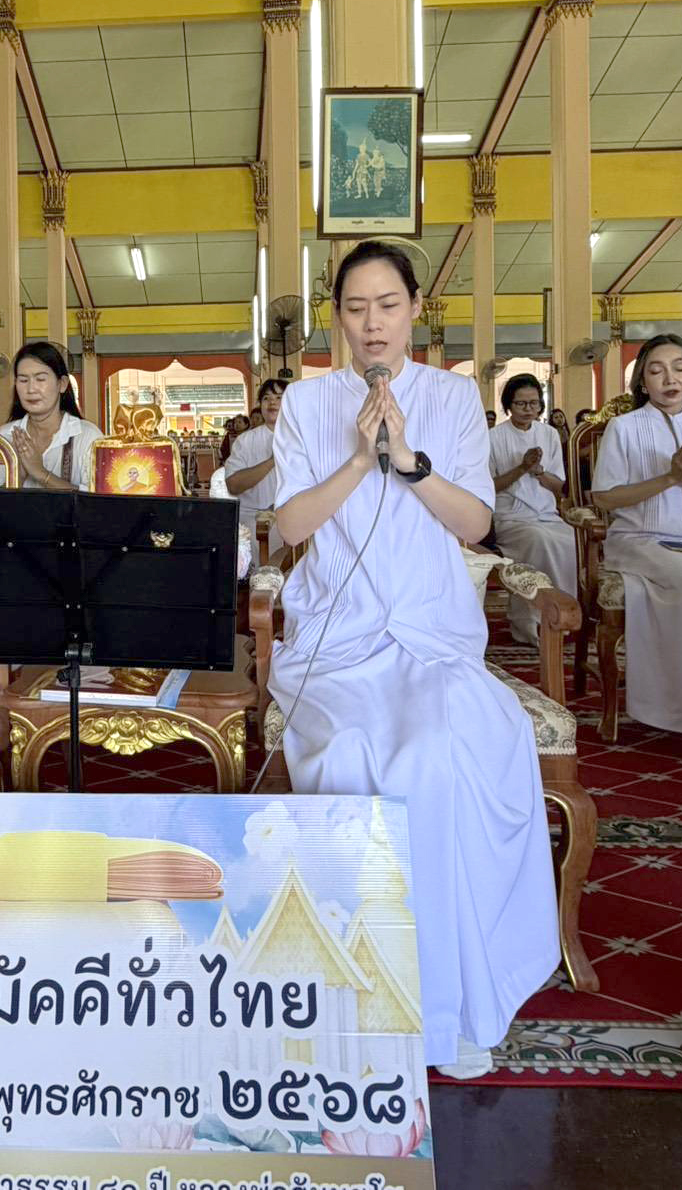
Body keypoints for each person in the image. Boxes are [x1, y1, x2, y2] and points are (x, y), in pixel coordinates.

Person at [266, 240, 559, 1078]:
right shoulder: (307, 403)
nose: (372, 325)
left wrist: (408, 462)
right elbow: (290, 528)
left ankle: (451, 1000)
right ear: (337, 316)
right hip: (339, 640)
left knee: (442, 752)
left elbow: (472, 524)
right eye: (355, 308)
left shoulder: (454, 397)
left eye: (387, 305)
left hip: (430, 633)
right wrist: (361, 460)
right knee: (360, 754)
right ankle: (364, 996)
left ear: (415, 308)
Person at [591, 334, 682, 737]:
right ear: (643, 382)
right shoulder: (623, 428)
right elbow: (605, 496)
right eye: (656, 371)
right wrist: (668, 478)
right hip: (640, 541)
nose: (669, 378)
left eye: (679, 367)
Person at [488, 374, 577, 647]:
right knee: (540, 540)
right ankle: (531, 623)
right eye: (521, 404)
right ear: (508, 405)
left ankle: (566, 616)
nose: (528, 410)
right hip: (512, 517)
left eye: (534, 404)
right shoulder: (493, 437)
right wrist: (521, 468)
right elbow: (490, 487)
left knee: (572, 541)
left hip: (547, 514)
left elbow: (559, 486)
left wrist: (538, 470)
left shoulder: (549, 435)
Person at [0, 342, 102, 490]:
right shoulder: (4, 437)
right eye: (23, 380)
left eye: (40, 379)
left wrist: (40, 473)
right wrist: (17, 476)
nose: (31, 389)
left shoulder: (87, 436)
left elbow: (94, 503)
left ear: (62, 384)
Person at [225, 379, 286, 526]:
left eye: (279, 397)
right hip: (253, 520)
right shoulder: (245, 440)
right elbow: (233, 485)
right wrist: (272, 461)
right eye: (266, 398)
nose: (272, 402)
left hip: (295, 519)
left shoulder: (304, 438)